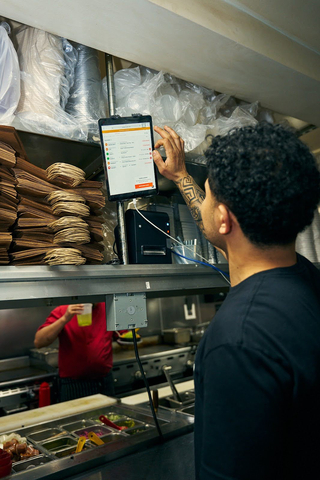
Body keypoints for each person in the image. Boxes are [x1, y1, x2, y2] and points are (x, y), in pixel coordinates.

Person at [152, 123, 320, 480]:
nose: (208, 202)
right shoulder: (306, 281)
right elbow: (227, 237)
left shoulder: (238, 341)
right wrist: (182, 176)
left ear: (225, 218)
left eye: (210, 194)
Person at [34, 303, 120, 402]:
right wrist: (65, 318)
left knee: (108, 416)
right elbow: (39, 342)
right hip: (73, 383)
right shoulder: (63, 310)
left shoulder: (108, 308)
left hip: (104, 381)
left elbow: (122, 335)